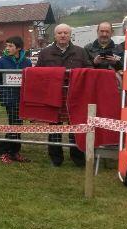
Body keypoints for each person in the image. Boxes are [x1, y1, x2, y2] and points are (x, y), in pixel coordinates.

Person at [36, 23, 92, 167]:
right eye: (60, 33)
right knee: (54, 127)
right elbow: (38, 73)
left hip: (75, 96)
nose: (62, 35)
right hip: (53, 96)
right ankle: (56, 158)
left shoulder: (81, 52)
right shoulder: (45, 53)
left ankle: (78, 158)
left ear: (70, 35)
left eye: (65, 33)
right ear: (55, 35)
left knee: (76, 127)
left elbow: (89, 70)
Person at [0, 36, 32, 163]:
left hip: (22, 97)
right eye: (7, 46)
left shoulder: (26, 62)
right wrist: (2, 90)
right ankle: (7, 152)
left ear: (18, 48)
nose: (7, 48)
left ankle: (13, 151)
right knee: (14, 124)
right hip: (9, 98)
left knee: (17, 125)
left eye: (10, 46)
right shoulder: (2, 61)